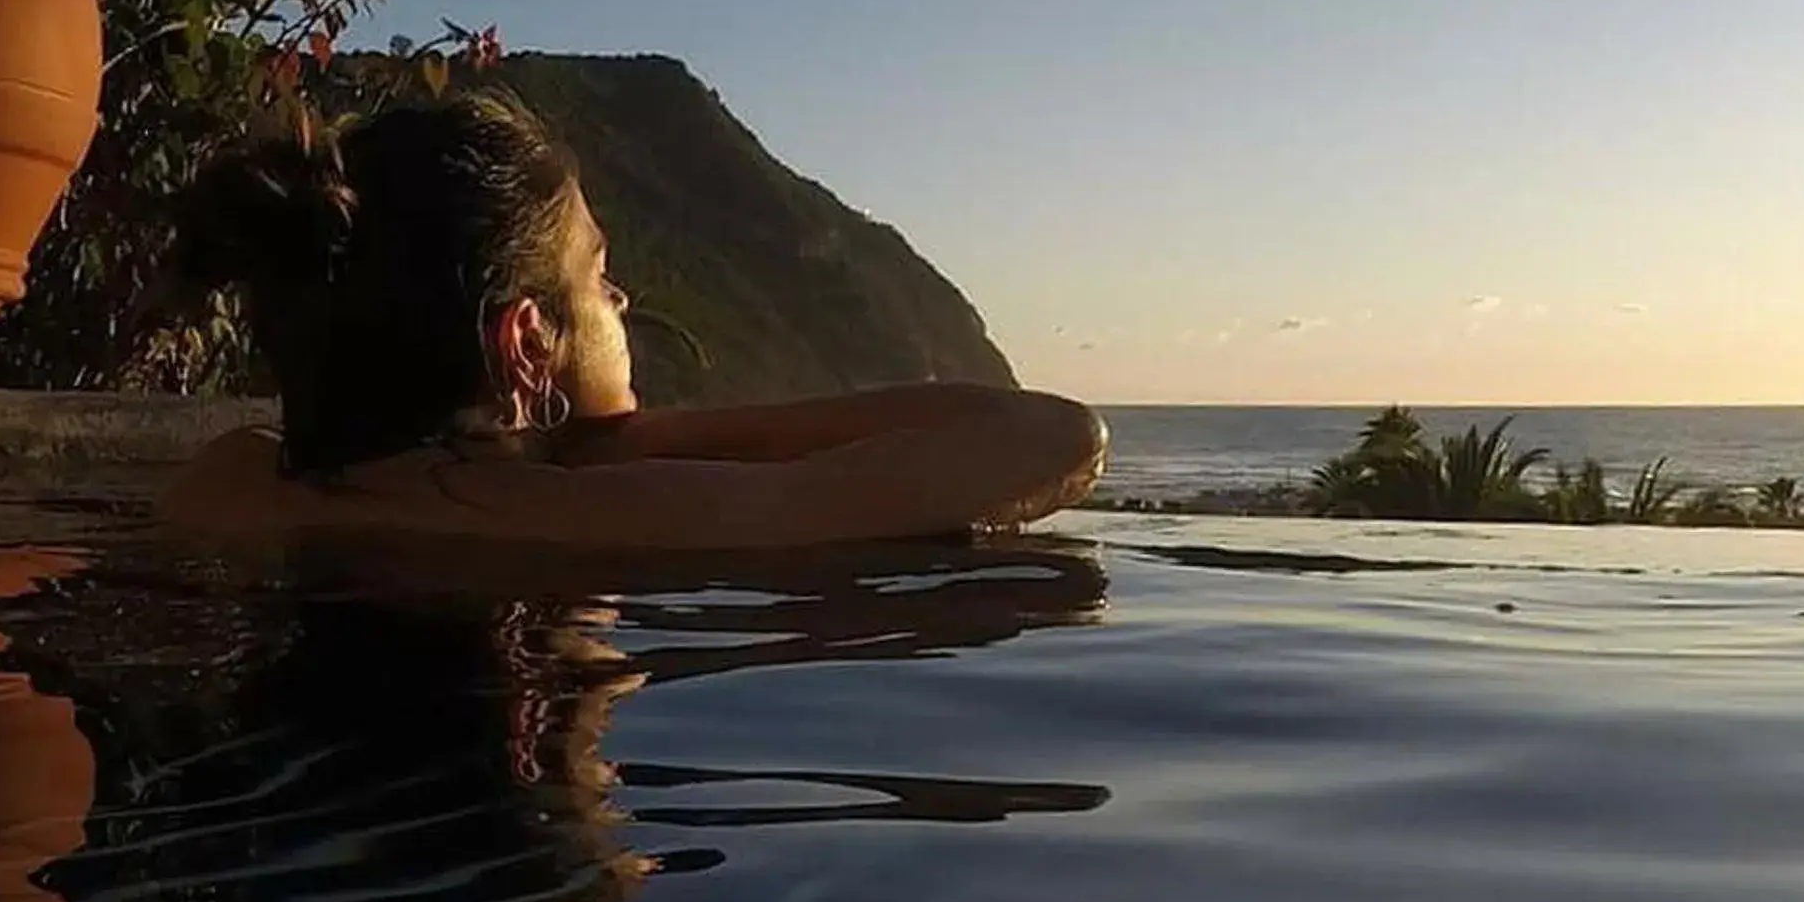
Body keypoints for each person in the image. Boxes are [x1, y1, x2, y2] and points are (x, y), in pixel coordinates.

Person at [158, 92, 1106, 547]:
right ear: (526, 343)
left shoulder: (231, 481)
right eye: (599, 276)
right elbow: (1048, 437)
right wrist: (624, 439)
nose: (621, 304)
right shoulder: (606, 517)